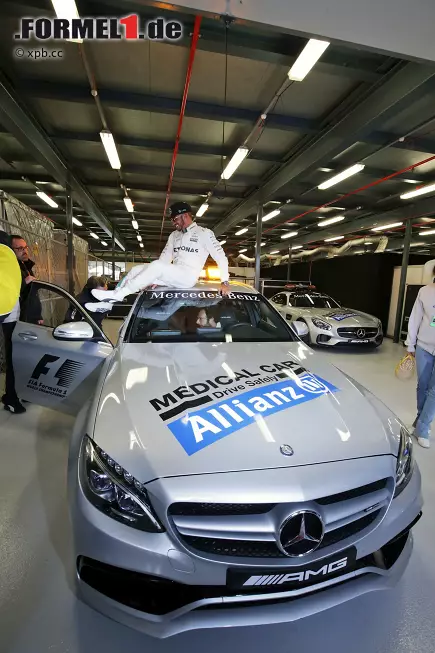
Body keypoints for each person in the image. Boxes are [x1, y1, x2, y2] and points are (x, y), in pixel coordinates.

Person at [89, 202, 230, 309]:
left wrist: (224, 281)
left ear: (185, 216)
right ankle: (109, 303)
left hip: (188, 277)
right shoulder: (174, 235)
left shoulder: (204, 233)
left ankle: (118, 295)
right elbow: (164, 259)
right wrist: (155, 275)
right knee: (135, 270)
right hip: (174, 274)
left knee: (156, 266)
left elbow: (221, 257)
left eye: (175, 219)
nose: (174, 222)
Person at [405, 269, 435, 449]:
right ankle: (420, 419)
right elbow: (415, 318)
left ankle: (423, 428)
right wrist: (410, 344)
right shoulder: (425, 291)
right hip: (424, 347)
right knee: (422, 386)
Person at [1, 231, 26, 414]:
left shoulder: (18, 265)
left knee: (13, 358)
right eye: (20, 248)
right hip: (7, 314)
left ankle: (12, 396)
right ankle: (11, 396)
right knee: (12, 358)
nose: (23, 251)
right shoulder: (9, 264)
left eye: (25, 248)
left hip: (12, 315)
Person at [10, 235, 43, 325]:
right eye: (20, 248)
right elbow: (9, 293)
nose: (25, 251)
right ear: (11, 250)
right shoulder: (10, 269)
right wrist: (24, 282)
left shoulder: (26, 266)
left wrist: (38, 316)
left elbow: (32, 296)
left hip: (31, 319)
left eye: (25, 247)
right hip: (19, 321)